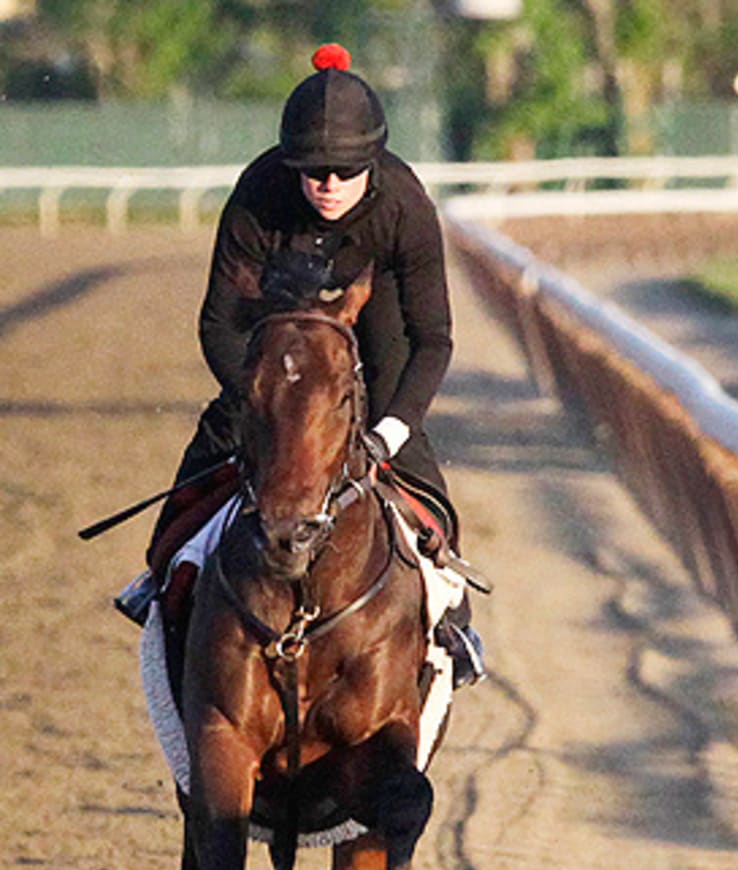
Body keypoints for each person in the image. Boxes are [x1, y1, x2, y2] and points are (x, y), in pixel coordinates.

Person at [116, 43, 484, 685]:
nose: (329, 185)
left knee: (430, 506)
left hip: (378, 334)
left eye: (345, 170)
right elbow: (217, 324)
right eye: (313, 171)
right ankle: (164, 586)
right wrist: (274, 409)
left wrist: (388, 432)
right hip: (273, 352)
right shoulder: (259, 194)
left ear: (372, 161)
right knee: (185, 503)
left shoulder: (405, 206)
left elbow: (433, 342)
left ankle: (451, 617)